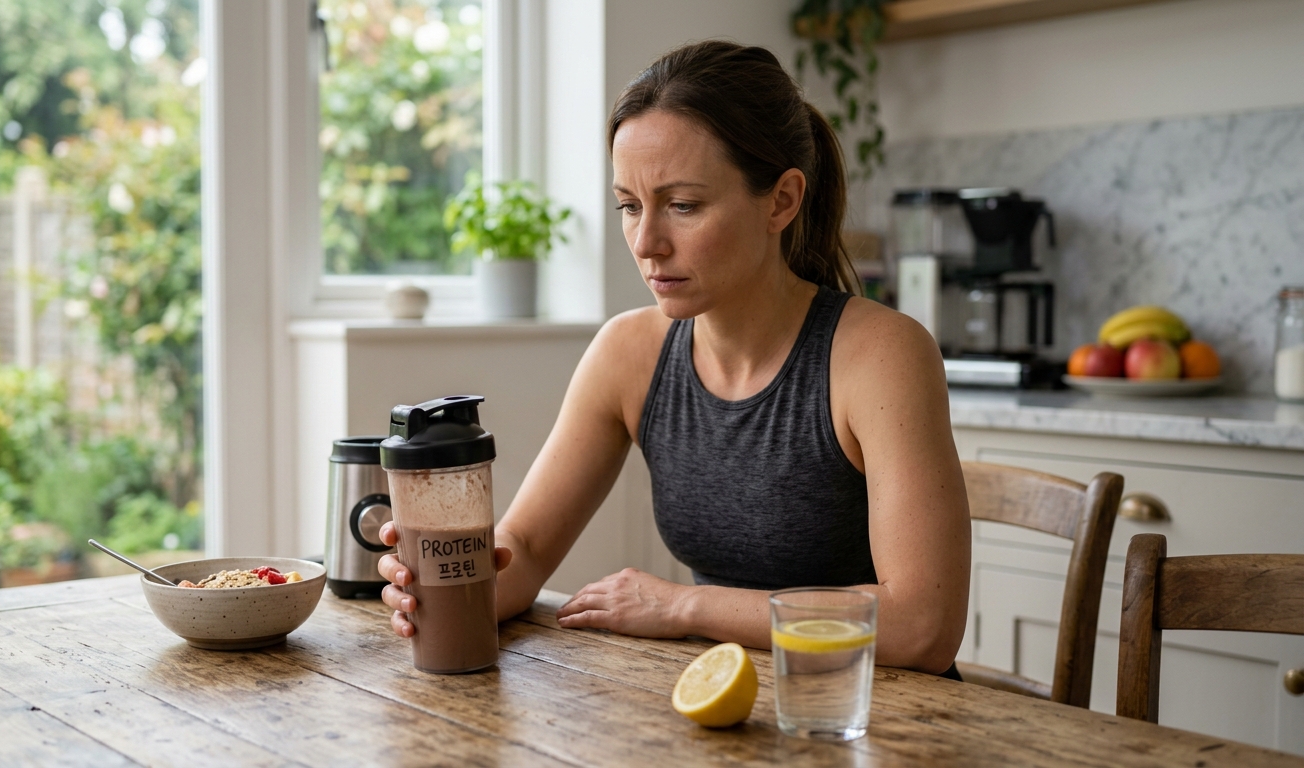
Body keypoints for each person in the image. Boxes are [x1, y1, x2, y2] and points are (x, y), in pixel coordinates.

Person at [377, 40, 970, 676]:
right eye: (629, 206)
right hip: (724, 697)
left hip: (877, 710)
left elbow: (922, 626)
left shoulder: (880, 355)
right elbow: (524, 546)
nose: (646, 242)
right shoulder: (628, 353)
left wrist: (686, 605)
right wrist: (449, 583)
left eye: (683, 205)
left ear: (781, 200)